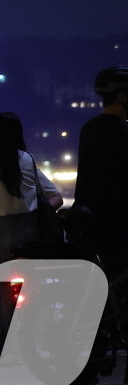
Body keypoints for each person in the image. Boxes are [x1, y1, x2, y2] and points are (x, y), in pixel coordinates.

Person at [0, 112, 61, 361]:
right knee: (29, 288)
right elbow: (48, 195)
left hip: (1, 230)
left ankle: (0, 345)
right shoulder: (27, 159)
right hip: (30, 231)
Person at [76, 67, 128, 279]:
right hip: (118, 227)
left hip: (91, 224)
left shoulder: (89, 129)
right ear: (122, 97)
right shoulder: (122, 132)